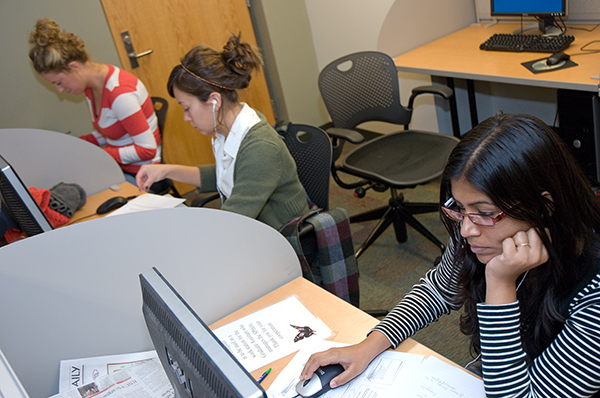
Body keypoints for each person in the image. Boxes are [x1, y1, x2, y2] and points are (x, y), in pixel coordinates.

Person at [300, 113, 600, 397]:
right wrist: (370, 345)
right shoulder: (477, 227)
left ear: (544, 207)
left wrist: (500, 285)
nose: (467, 229)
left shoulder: (593, 292)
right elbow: (437, 291)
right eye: (459, 207)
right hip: (502, 373)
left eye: (484, 212)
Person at [135, 35, 309, 230]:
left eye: (186, 108)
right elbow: (222, 175)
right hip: (255, 230)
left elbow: (232, 223)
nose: (186, 117)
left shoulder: (260, 148)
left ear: (214, 102)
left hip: (285, 240)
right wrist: (166, 170)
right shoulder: (229, 127)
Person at [28, 18, 161, 185]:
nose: (59, 90)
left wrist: (97, 154)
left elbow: (148, 150)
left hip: (142, 173)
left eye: (59, 82)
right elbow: (110, 132)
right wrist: (75, 143)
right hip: (121, 166)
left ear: (74, 67)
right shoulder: (92, 87)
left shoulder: (120, 95)